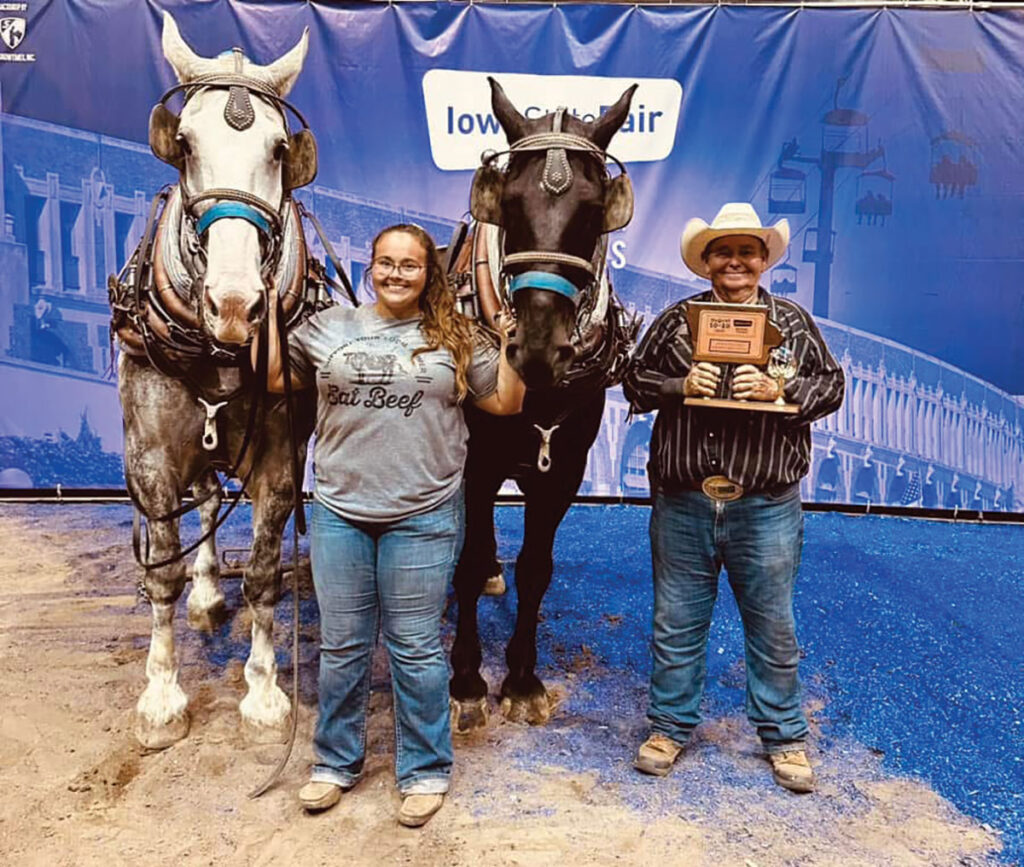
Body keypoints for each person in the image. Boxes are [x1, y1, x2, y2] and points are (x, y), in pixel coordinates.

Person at [256, 223, 525, 826]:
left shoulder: (455, 336)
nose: (396, 274)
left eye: (410, 265)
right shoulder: (330, 327)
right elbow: (276, 378)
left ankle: (426, 769)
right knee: (343, 646)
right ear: (370, 266)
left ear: (429, 273)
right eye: (385, 263)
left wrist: (512, 345)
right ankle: (334, 762)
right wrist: (269, 313)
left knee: (415, 647)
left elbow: (504, 402)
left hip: (422, 513)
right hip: (339, 511)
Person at [622, 202, 844, 793]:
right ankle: (668, 726)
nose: (736, 261)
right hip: (684, 499)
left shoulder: (792, 323)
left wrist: (782, 385)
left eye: (747, 251)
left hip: (764, 501)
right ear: (706, 262)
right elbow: (634, 382)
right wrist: (678, 384)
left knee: (772, 625)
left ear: (764, 260)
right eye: (724, 251)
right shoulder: (676, 321)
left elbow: (831, 386)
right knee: (675, 621)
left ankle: (784, 736)